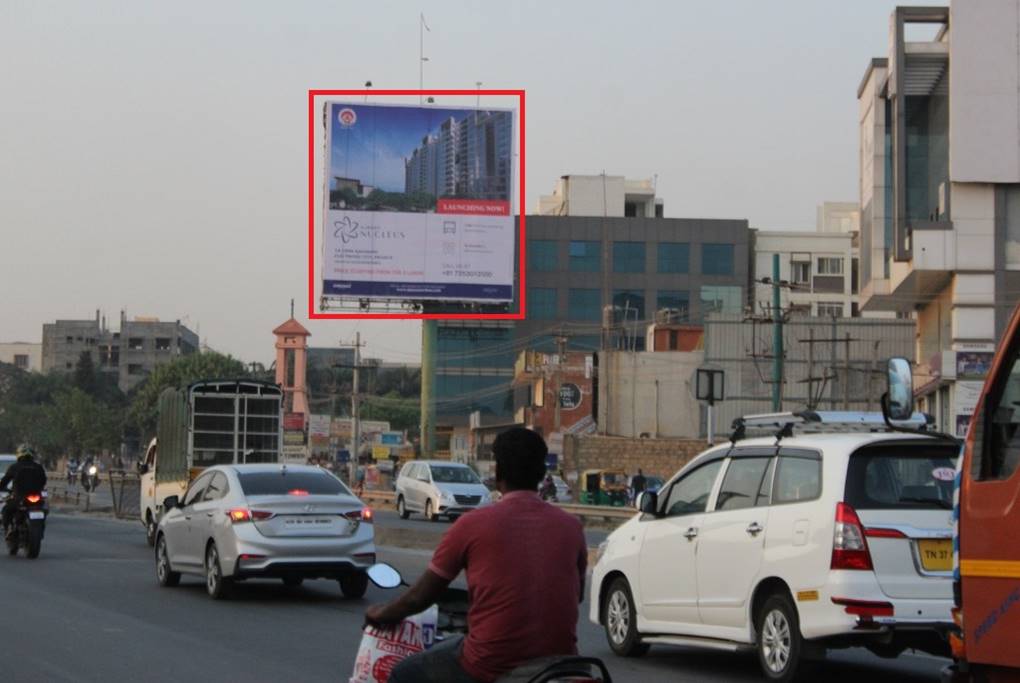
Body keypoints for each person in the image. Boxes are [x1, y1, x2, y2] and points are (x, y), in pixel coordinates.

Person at [365, 427, 587, 683]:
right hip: (563, 664)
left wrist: (381, 613)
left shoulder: (472, 525)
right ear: (541, 473)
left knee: (403, 673)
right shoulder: (571, 527)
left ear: (498, 472)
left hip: (490, 665)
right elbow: (576, 595)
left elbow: (420, 598)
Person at [1, 445, 48, 538]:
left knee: (6, 510)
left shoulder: (14, 467)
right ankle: (40, 531)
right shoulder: (38, 467)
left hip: (19, 498)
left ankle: (9, 529)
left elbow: (4, 481)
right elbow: (43, 481)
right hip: (36, 497)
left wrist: (2, 488)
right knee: (44, 510)